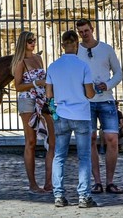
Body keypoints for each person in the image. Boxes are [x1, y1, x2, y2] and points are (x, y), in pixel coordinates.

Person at [45, 30, 97, 209]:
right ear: (76, 45)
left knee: (59, 156)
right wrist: (93, 90)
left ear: (62, 45)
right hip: (81, 114)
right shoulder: (83, 67)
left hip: (62, 114)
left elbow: (49, 94)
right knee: (84, 157)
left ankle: (58, 195)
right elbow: (90, 94)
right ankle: (84, 196)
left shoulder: (53, 66)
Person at [75, 18, 123, 195]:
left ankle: (110, 181)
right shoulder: (76, 51)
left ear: (92, 29)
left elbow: (118, 73)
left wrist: (108, 84)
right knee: (90, 140)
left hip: (106, 99)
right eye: (80, 32)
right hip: (85, 102)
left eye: (86, 31)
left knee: (112, 139)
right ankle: (96, 181)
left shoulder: (106, 49)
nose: (83, 34)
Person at [11, 30, 55, 194]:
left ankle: (49, 182)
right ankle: (33, 184)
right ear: (23, 42)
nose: (33, 42)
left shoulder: (39, 58)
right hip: (27, 101)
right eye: (30, 40)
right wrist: (36, 83)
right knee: (30, 141)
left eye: (34, 40)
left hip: (43, 99)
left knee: (52, 140)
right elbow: (17, 86)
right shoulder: (20, 62)